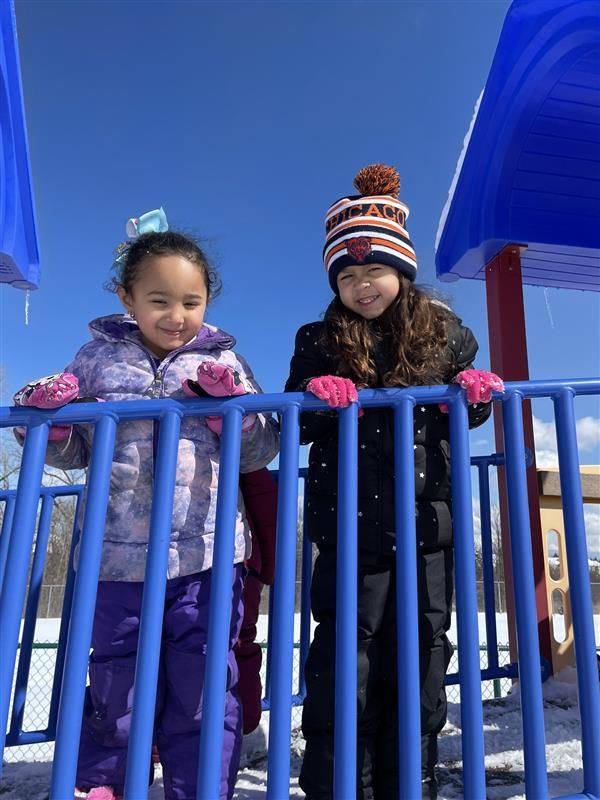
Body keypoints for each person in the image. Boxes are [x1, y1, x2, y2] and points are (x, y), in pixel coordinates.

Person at [13, 208, 279, 800]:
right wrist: (52, 429)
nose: (177, 316)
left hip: (205, 554)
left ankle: (201, 786)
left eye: (192, 301)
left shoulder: (225, 363)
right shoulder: (96, 358)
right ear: (126, 297)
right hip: (114, 558)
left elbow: (261, 446)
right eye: (160, 300)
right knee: (116, 680)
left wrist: (225, 409)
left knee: (204, 682)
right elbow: (76, 447)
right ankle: (107, 782)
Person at [284, 165, 503, 800]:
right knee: (346, 655)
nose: (361, 285)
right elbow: (294, 413)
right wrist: (312, 396)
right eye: (346, 276)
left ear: (401, 272)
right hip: (348, 524)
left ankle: (414, 779)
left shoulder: (443, 332)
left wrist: (474, 393)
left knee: (424, 649)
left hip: (427, 527)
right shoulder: (320, 337)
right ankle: (336, 783)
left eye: (372, 271)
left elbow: (473, 402)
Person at [236, 468, 278, 735]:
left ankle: (241, 725)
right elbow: (264, 498)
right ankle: (241, 724)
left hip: (239, 561)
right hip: (243, 561)